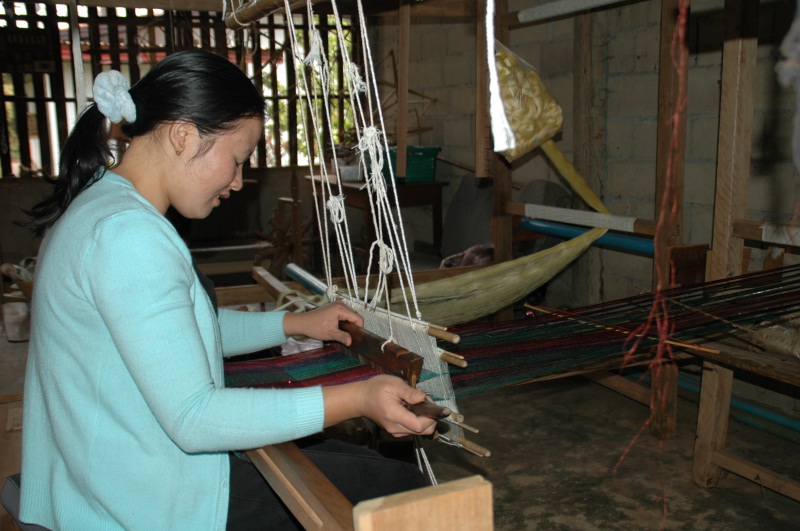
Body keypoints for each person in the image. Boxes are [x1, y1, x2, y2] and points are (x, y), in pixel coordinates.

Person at [19, 49, 436, 530]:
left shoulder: (99, 204)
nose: (238, 182)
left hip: (116, 474)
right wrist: (358, 399)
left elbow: (175, 335)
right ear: (183, 135)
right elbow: (194, 419)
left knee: (368, 471)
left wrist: (294, 323)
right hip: (150, 500)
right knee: (402, 493)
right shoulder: (128, 236)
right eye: (237, 160)